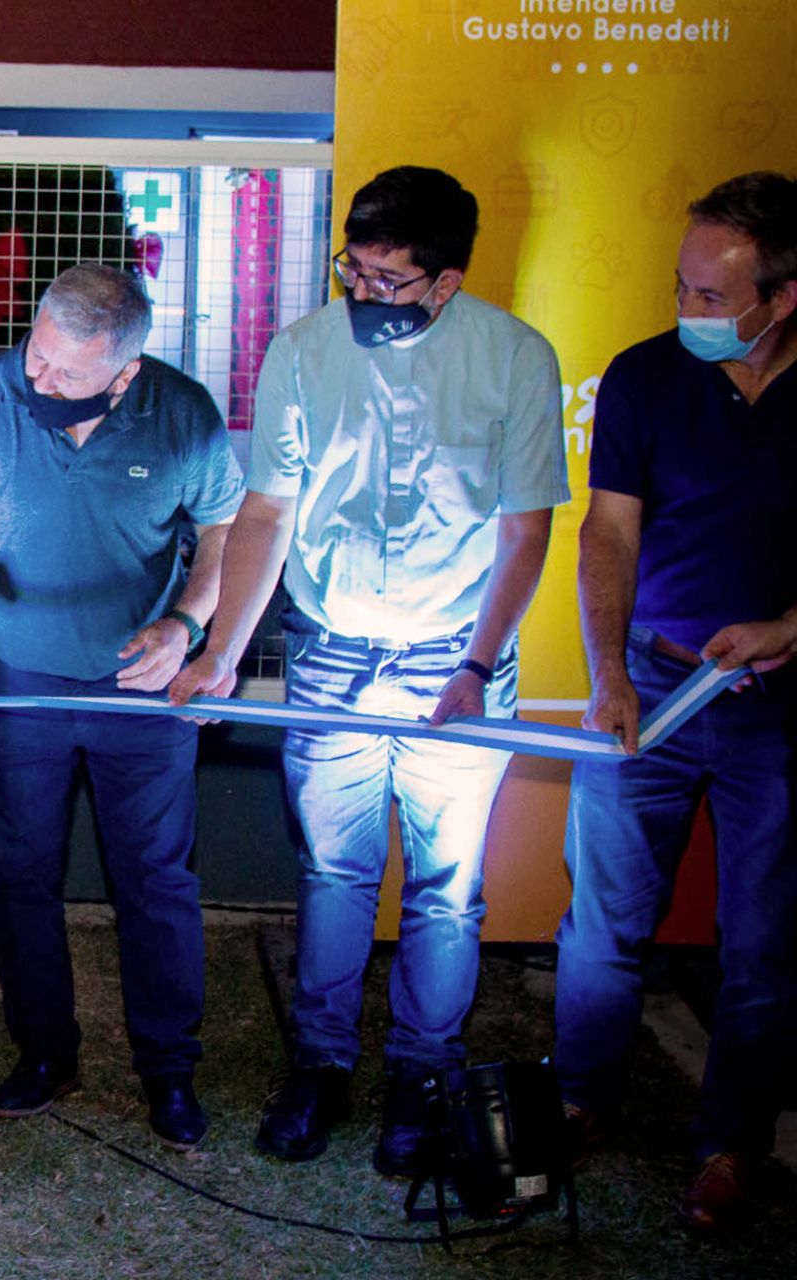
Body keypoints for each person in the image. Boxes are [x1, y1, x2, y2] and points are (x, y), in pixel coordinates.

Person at [168, 167, 568, 1174]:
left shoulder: (516, 358)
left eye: (391, 281)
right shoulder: (304, 350)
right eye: (355, 271)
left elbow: (525, 532)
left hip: (455, 665)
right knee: (335, 871)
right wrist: (221, 651)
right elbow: (268, 511)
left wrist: (479, 663)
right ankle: (321, 1063)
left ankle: (424, 1074)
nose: (366, 294)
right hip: (333, 657)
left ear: (447, 280)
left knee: (446, 886)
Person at [0, 263, 243, 1148]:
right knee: (20, 878)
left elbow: (226, 529)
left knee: (157, 881)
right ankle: (46, 1051)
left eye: (67, 372)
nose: (40, 378)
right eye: (36, 354)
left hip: (143, 692)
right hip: (15, 686)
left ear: (125, 373)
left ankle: (170, 1067)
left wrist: (187, 624)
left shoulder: (183, 414)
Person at [554, 171, 797, 1234]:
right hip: (652, 682)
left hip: (775, 703)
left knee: (764, 940)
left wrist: (787, 630)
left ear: (781, 297)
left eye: (711, 296)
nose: (687, 310)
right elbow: (608, 530)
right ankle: (577, 1098)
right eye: (682, 288)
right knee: (602, 919)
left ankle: (730, 1144)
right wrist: (609, 674)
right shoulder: (645, 375)